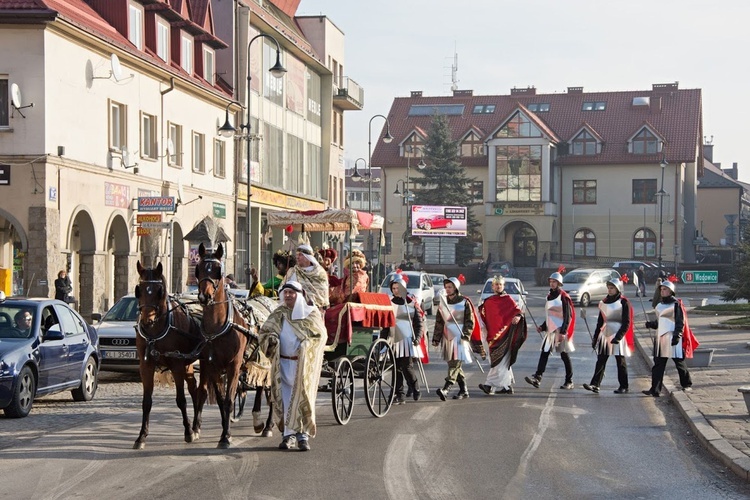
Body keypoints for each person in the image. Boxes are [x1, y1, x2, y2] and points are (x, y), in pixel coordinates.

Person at [259, 281, 327, 451]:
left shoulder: (310, 314)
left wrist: (307, 345)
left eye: (291, 292)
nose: (288, 295)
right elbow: (265, 332)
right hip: (282, 364)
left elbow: (320, 336)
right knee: (286, 401)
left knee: (302, 400)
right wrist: (272, 338)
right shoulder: (279, 313)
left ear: (299, 294)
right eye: (286, 292)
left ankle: (303, 437)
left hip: (302, 366)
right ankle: (287, 437)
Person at [643, 280, 698, 397]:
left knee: (679, 363)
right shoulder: (659, 306)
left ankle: (686, 384)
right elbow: (660, 322)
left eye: (665, 289)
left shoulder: (676, 304)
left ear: (671, 291)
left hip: (673, 337)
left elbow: (680, 322)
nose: (662, 291)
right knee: (658, 365)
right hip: (661, 339)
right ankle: (655, 389)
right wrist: (651, 324)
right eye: (661, 289)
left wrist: (677, 336)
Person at [582, 278, 634, 394]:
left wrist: (619, 337)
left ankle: (624, 386)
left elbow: (626, 322)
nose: (610, 290)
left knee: (620, 362)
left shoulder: (623, 302)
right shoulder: (604, 302)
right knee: (601, 360)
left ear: (617, 289)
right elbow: (600, 322)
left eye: (612, 288)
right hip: (605, 334)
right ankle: (595, 384)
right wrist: (595, 338)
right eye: (609, 288)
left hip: (618, 334)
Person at [525, 272, 576, 390]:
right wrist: (542, 327)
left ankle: (569, 381)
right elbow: (549, 315)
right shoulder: (549, 296)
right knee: (544, 353)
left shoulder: (563, 297)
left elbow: (568, 316)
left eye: (554, 282)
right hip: (550, 330)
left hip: (560, 330)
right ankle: (537, 377)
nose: (552, 283)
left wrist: (563, 332)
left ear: (559, 283)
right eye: (551, 281)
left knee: (564, 355)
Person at [477, 275, 527, 395]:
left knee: (499, 362)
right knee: (499, 362)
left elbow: (518, 311)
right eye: (496, 284)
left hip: (505, 336)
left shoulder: (508, 299)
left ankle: (489, 385)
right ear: (493, 286)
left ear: (503, 286)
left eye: (500, 284)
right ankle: (507, 387)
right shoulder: (488, 301)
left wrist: (518, 316)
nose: (498, 286)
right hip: (492, 336)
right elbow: (483, 315)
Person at [433, 276, 478, 401]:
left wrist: (466, 334)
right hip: (447, 337)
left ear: (456, 288)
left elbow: (470, 321)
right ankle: (464, 390)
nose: (447, 289)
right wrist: (436, 338)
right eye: (446, 287)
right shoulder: (444, 302)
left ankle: (446, 388)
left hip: (460, 338)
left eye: (450, 287)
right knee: (454, 364)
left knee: (454, 364)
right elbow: (439, 322)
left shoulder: (464, 302)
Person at [381, 277, 424, 404]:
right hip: (394, 340)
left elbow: (418, 324)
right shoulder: (389, 303)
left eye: (398, 288)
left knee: (407, 367)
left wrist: (417, 337)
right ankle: (399, 394)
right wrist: (382, 341)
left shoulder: (411, 302)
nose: (396, 290)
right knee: (396, 368)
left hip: (407, 340)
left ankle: (415, 387)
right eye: (393, 288)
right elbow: (386, 325)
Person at [282, 244, 329, 310]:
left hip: (314, 310)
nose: (297, 257)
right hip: (291, 308)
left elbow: (321, 295)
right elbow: (282, 288)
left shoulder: (319, 273)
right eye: (297, 254)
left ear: (308, 257)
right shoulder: (292, 271)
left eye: (300, 255)